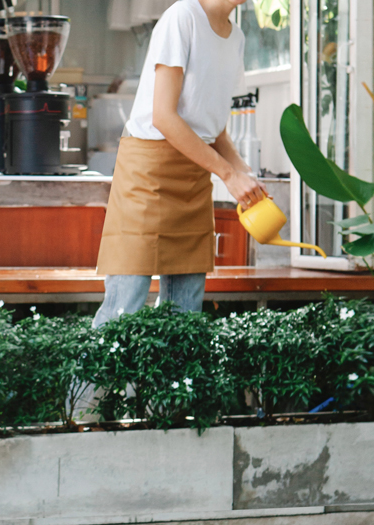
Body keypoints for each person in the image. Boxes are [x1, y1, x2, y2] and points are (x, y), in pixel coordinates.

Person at [93, 0, 269, 327]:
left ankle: (173, 366)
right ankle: (98, 365)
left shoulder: (236, 38)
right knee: (125, 305)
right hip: (148, 172)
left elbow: (214, 128)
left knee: (185, 314)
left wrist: (245, 175)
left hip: (193, 175)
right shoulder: (182, 17)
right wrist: (228, 174)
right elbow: (163, 117)